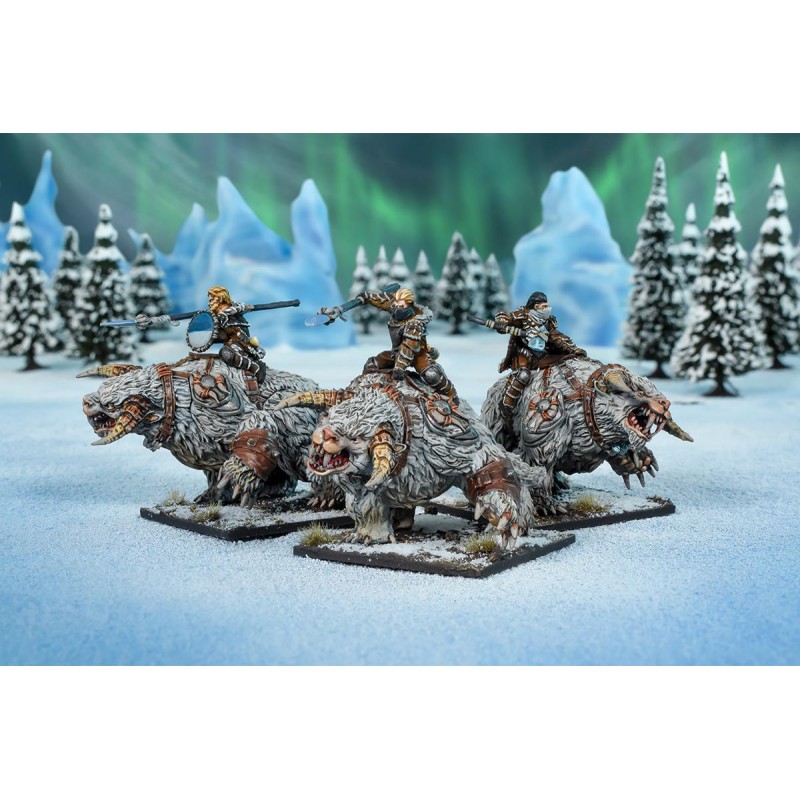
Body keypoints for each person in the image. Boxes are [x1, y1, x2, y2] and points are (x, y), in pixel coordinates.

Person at [322, 287, 459, 404]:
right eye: (397, 305)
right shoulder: (394, 306)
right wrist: (360, 299)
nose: (398, 308)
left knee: (432, 375)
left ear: (410, 305)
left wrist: (399, 368)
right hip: (396, 353)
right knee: (372, 364)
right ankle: (360, 391)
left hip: (417, 355)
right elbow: (376, 298)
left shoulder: (415, 323)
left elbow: (408, 348)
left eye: (402, 306)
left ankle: (452, 397)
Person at [494, 291, 586, 418]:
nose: (548, 308)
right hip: (524, 354)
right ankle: (507, 404)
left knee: (565, 360)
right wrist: (502, 321)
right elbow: (505, 317)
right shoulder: (522, 316)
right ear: (536, 306)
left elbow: (557, 337)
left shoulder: (547, 322)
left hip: (542, 355)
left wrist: (573, 349)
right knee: (523, 375)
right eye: (544, 306)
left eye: (547, 305)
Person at [206, 286, 268, 384]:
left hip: (239, 341)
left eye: (212, 299)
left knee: (226, 353)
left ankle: (256, 367)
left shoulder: (228, 314)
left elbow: (231, 334)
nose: (209, 302)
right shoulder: (220, 314)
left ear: (219, 298)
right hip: (232, 341)